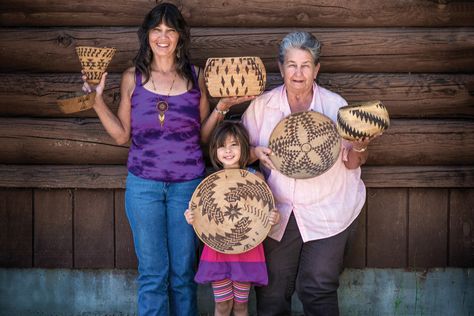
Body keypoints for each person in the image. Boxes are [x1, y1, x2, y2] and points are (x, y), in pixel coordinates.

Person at [82, 3, 253, 315]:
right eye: (156, 30)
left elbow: (203, 137)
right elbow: (122, 136)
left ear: (180, 37)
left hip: (187, 188)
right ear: (147, 35)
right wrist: (95, 101)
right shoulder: (133, 78)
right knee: (152, 274)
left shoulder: (195, 77)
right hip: (143, 186)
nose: (162, 37)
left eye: (169, 30)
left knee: (182, 275)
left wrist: (223, 107)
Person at [241, 31, 378, 315]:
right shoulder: (262, 108)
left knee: (318, 287)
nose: (298, 73)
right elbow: (237, 150)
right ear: (281, 68)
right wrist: (254, 153)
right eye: (291, 65)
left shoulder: (334, 106)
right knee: (272, 290)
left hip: (329, 207)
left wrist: (361, 148)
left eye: (306, 65)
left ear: (316, 69)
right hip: (278, 211)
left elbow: (352, 162)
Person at [184, 122, 280, 316]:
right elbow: (202, 217)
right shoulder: (210, 184)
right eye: (222, 146)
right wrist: (191, 217)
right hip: (217, 249)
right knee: (222, 304)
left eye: (234, 144)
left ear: (244, 147)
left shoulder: (256, 178)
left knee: (241, 306)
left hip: (247, 249)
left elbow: (264, 218)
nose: (228, 151)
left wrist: (273, 218)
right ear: (215, 151)